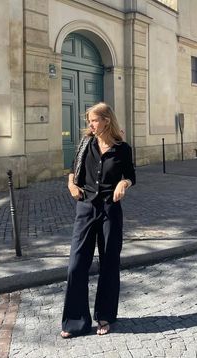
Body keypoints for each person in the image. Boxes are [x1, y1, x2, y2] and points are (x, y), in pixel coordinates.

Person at [61, 102, 136, 338]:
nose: (90, 124)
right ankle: (75, 321)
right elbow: (73, 171)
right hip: (85, 208)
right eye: (89, 121)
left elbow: (131, 176)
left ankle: (105, 315)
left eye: (94, 120)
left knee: (109, 263)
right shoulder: (85, 144)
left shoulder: (122, 148)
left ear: (106, 120)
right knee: (76, 263)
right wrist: (71, 185)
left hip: (110, 210)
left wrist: (123, 184)